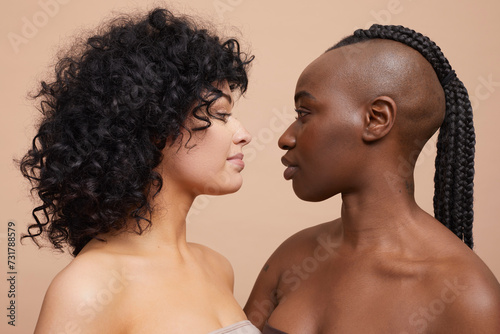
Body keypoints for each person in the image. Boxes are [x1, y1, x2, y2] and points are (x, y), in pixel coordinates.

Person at [244, 24, 500, 333]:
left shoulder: (467, 296)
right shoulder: (292, 257)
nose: (285, 138)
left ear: (376, 119)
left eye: (304, 113)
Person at [20, 8, 261, 334]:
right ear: (156, 128)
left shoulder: (217, 268)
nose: (243, 133)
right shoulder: (87, 290)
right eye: (219, 114)